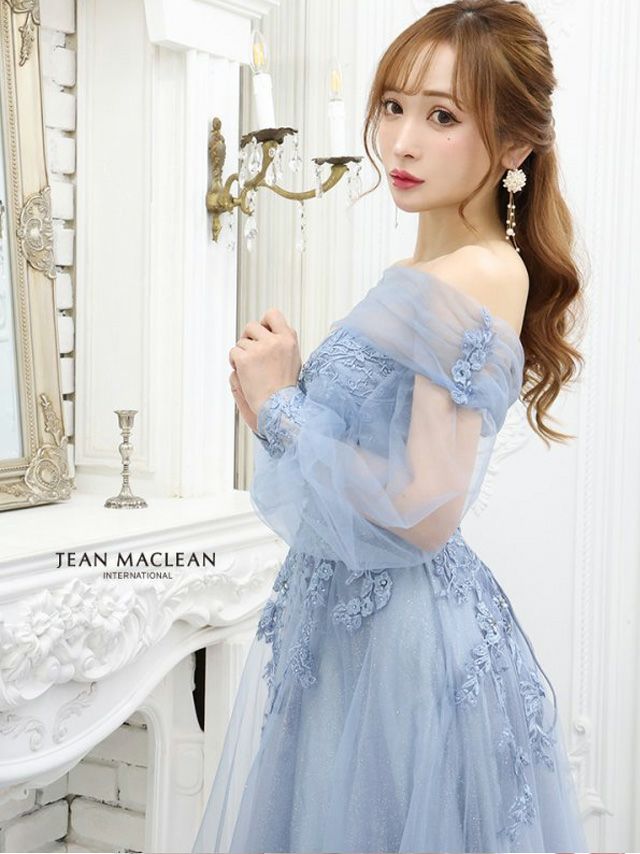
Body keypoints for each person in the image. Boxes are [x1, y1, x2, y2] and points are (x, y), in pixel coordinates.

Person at [192, 1, 589, 851]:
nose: (402, 142)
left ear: (515, 146)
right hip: (353, 625)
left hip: (399, 640)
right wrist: (285, 398)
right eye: (394, 106)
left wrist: (281, 406)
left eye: (442, 117)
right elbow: (375, 462)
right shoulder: (429, 269)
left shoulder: (475, 273)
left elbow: (423, 510)